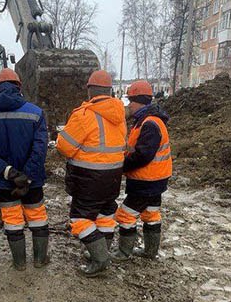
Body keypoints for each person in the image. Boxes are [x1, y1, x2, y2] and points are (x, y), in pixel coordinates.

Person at [0, 69, 49, 271]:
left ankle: (19, 263)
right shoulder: (36, 113)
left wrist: (8, 172)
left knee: (13, 221)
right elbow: (40, 148)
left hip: (4, 181)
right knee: (37, 217)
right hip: (32, 181)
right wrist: (26, 177)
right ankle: (40, 260)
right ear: (19, 86)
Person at [56, 70, 127, 277]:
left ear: (89, 90)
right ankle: (101, 251)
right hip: (113, 176)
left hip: (88, 178)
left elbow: (64, 147)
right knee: (105, 214)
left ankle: (100, 258)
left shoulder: (84, 115)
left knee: (80, 219)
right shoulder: (119, 115)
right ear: (110, 91)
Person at [112, 80, 172, 261]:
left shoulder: (149, 124)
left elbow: (143, 155)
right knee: (151, 214)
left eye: (130, 101)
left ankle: (123, 253)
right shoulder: (150, 121)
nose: (129, 105)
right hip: (156, 180)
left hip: (146, 180)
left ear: (139, 102)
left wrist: (121, 166)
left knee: (125, 215)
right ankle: (150, 252)